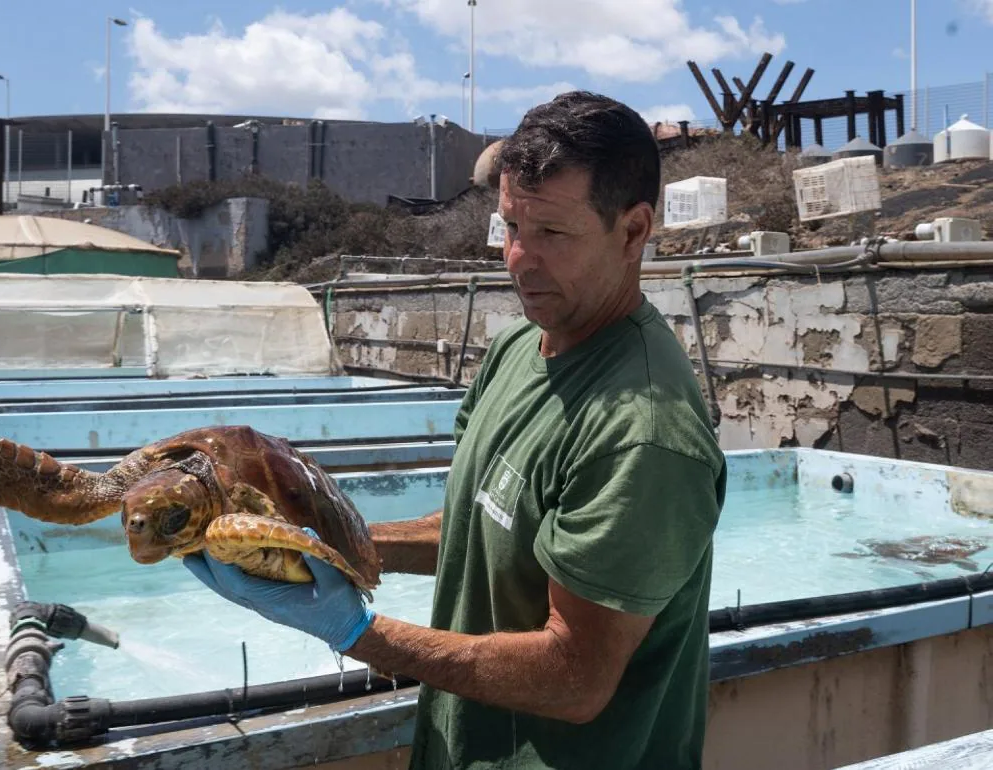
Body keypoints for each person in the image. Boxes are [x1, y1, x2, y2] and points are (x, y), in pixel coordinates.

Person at [183, 90, 727, 769]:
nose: (520, 260)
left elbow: (574, 678)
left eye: (553, 234)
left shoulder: (642, 431)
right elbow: (481, 523)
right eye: (510, 228)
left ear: (634, 230)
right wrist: (323, 541)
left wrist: (356, 631)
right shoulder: (518, 350)